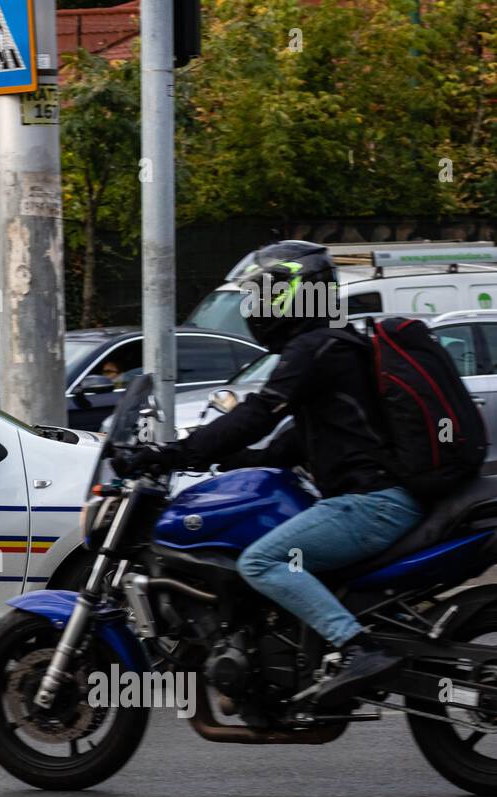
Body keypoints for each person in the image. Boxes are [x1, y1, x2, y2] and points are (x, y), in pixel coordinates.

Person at [123, 240, 423, 706]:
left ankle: (357, 648)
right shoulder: (334, 346)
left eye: (261, 294)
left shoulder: (315, 347)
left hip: (371, 504)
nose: (254, 306)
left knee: (261, 561)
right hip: (372, 500)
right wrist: (220, 462)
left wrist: (174, 452)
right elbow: (290, 444)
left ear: (293, 293)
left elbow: (259, 412)